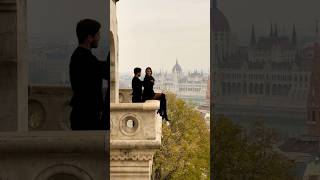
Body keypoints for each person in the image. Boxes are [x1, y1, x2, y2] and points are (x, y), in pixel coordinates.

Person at [69, 18, 109, 130]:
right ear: (89, 37)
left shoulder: (81, 56)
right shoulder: (84, 58)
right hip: (86, 118)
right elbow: (105, 70)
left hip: (83, 115)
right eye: (97, 35)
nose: (99, 38)